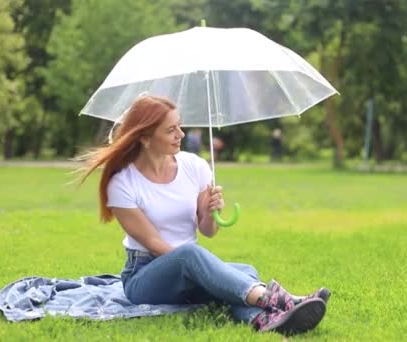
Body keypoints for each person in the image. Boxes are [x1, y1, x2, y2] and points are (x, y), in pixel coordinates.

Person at [78, 95, 329, 335]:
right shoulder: (123, 183)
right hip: (145, 277)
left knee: (244, 270)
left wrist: (211, 212)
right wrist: (198, 270)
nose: (181, 135)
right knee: (194, 257)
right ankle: (276, 300)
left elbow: (208, 231)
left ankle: (264, 319)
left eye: (180, 126)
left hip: (190, 266)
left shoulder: (194, 166)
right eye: (170, 130)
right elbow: (154, 244)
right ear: (145, 138)